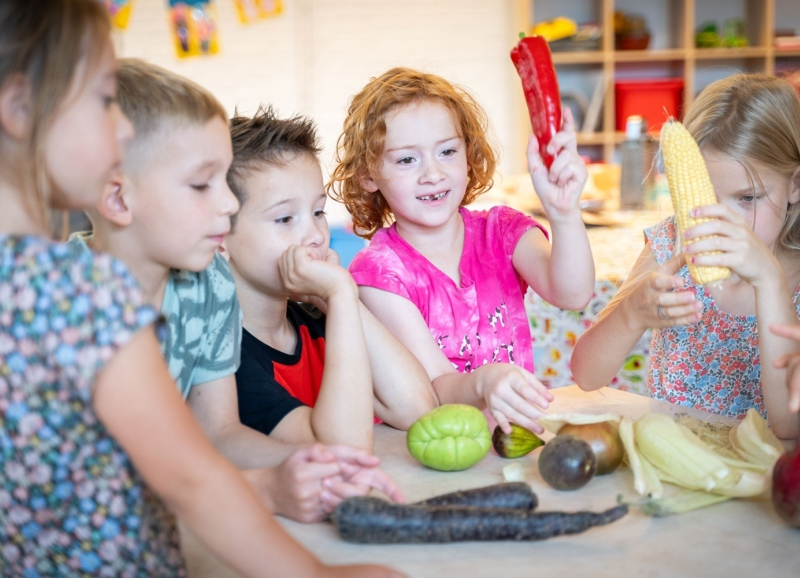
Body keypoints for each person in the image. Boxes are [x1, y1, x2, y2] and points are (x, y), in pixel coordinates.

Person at [0, 1, 403, 577]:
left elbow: (212, 438)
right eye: (101, 99)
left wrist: (296, 469)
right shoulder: (74, 291)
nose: (118, 128)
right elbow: (189, 477)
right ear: (19, 106)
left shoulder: (45, 281)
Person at [75, 58, 403, 522]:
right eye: (200, 184)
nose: (228, 205)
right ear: (118, 198)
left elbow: (220, 434)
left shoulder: (206, 288)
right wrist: (264, 488)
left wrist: (310, 471)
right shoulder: (54, 297)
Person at [327, 67, 595, 435]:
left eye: (447, 151)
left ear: (469, 156)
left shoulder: (501, 231)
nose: (433, 174)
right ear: (368, 175)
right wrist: (486, 382)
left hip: (509, 440)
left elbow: (573, 292)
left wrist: (564, 212)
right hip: (431, 451)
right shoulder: (379, 274)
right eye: (407, 159)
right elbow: (436, 390)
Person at [571, 74, 800, 440]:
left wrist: (768, 280)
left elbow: (790, 425)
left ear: (795, 185)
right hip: (672, 465)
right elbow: (586, 375)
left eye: (748, 198)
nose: (722, 221)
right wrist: (632, 313)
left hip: (762, 480)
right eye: (706, 196)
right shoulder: (673, 243)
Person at [224, 106, 438, 448]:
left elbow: (417, 409)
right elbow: (341, 451)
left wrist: (338, 300)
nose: (315, 235)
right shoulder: (223, 354)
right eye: (284, 219)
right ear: (219, 235)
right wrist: (339, 293)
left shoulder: (318, 318)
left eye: (318, 212)